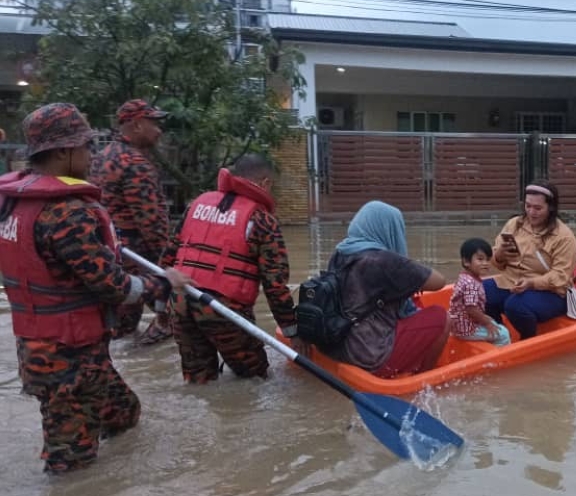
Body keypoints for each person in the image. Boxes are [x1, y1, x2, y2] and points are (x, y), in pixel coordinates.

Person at [0, 103, 191, 474]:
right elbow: (114, 287)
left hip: (42, 345)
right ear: (62, 152)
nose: (92, 156)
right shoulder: (66, 212)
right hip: (68, 356)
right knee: (70, 467)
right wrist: (165, 282)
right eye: (85, 147)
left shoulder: (13, 203)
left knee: (123, 413)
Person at [158, 154, 305, 383]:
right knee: (256, 379)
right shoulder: (261, 220)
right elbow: (275, 286)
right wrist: (292, 333)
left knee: (199, 382)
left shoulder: (196, 204)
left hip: (180, 302)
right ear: (265, 183)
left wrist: (160, 309)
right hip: (223, 309)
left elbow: (166, 261)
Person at [325, 200, 449, 378]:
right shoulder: (385, 261)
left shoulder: (341, 252)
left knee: (414, 302)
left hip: (336, 346)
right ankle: (425, 377)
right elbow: (439, 281)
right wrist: (405, 262)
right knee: (442, 317)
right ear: (391, 229)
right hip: (369, 355)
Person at [90, 99, 172, 344]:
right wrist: (169, 264)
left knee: (117, 330)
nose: (159, 130)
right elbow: (152, 224)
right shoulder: (135, 164)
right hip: (136, 261)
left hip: (108, 255)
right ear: (137, 125)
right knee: (171, 319)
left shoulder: (100, 157)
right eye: (154, 123)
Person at [487, 180, 576, 339]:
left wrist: (531, 283)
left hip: (551, 293)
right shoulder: (514, 224)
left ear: (551, 208)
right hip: (512, 283)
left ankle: (528, 339)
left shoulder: (564, 237)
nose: (531, 212)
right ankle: (500, 335)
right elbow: (497, 264)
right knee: (478, 293)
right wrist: (499, 255)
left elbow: (560, 277)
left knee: (515, 305)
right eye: (528, 206)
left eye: (538, 208)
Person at [449, 238, 511, 347]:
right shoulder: (471, 284)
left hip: (458, 324)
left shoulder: (464, 277)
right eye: (480, 259)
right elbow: (471, 309)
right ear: (466, 262)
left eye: (488, 260)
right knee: (504, 334)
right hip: (467, 329)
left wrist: (487, 320)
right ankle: (497, 356)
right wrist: (486, 323)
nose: (485, 264)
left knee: (493, 322)